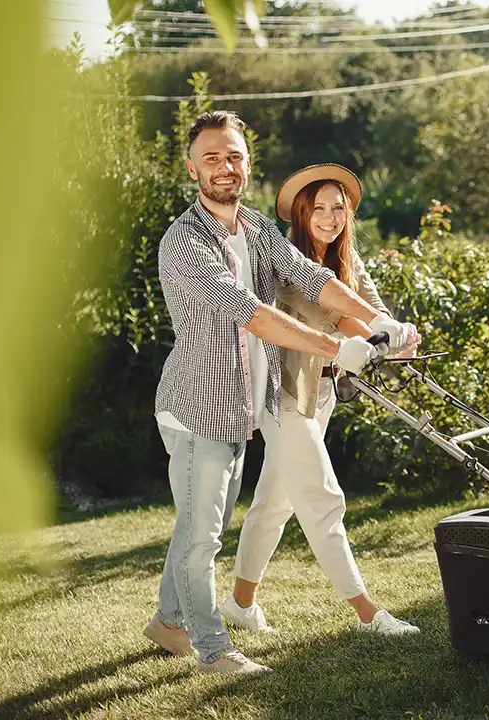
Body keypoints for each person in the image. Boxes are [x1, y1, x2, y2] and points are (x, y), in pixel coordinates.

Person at [142, 111, 420, 676]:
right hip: (197, 408)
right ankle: (215, 652)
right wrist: (334, 347)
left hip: (244, 405)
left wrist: (378, 325)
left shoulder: (257, 232)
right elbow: (254, 315)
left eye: (235, 156)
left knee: (199, 524)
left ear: (247, 163)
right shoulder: (185, 242)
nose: (225, 167)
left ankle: (169, 622)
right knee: (203, 539)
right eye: (213, 157)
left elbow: (314, 278)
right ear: (192, 167)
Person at [217, 163, 420, 637]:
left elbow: (369, 304)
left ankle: (240, 605)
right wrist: (378, 333)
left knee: (275, 503)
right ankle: (368, 614)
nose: (330, 218)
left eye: (339, 208)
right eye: (320, 208)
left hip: (322, 392)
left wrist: (397, 331)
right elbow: (332, 312)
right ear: (302, 214)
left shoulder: (347, 258)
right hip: (281, 393)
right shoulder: (285, 258)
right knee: (322, 497)